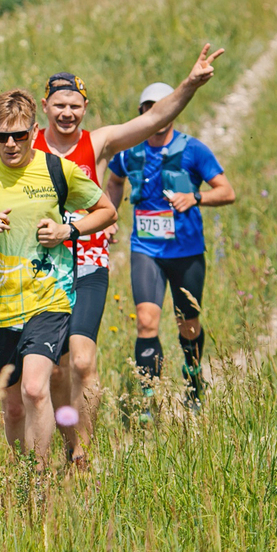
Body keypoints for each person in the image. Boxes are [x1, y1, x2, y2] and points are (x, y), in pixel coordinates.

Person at [0, 45, 223, 466]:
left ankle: (80, 452)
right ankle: (58, 440)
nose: (67, 113)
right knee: (50, 376)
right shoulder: (20, 138)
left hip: (85, 265)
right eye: (59, 105)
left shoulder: (99, 142)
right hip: (30, 278)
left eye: (75, 106)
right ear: (45, 108)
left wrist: (190, 83)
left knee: (80, 361)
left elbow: (154, 119)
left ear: (84, 108)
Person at [0, 89, 116, 466]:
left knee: (37, 388)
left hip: (48, 299)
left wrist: (68, 232)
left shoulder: (57, 170)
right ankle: (23, 476)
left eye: (19, 135)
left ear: (34, 131)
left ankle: (39, 480)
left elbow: (107, 211)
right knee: (14, 408)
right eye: (2, 135)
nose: (10, 144)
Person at [105, 82, 236, 412]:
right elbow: (115, 180)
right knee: (146, 323)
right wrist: (110, 214)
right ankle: (149, 402)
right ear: (141, 113)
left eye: (163, 105)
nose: (156, 112)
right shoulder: (129, 152)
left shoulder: (194, 150)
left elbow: (227, 191)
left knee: (188, 326)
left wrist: (196, 197)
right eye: (149, 106)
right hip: (145, 250)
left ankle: (193, 381)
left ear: (175, 109)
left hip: (186, 252)